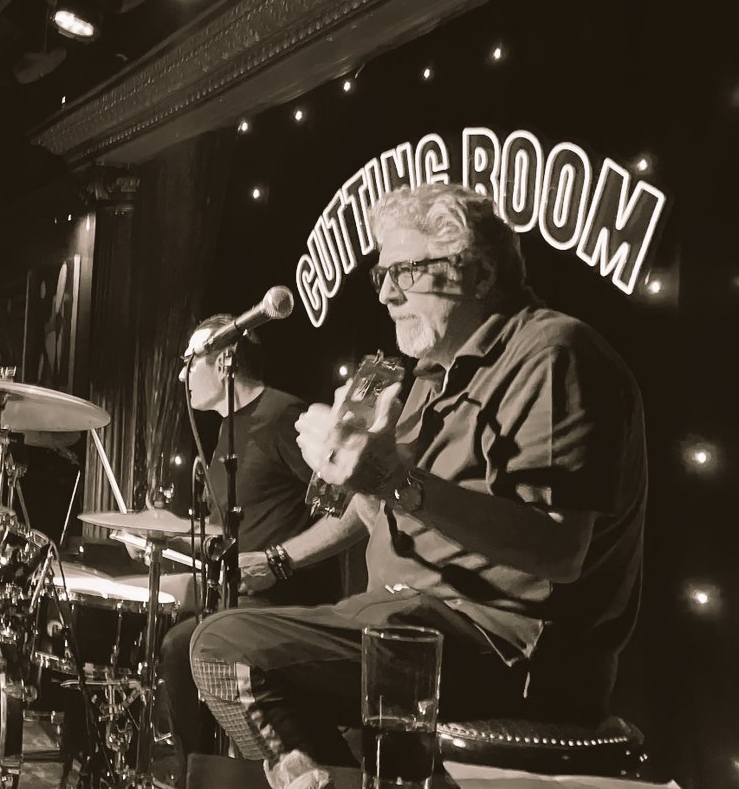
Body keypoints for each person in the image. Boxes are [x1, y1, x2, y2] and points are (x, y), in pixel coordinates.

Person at [189, 183, 647, 786]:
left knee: (226, 645)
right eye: (382, 272)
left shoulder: (553, 353)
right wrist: (345, 471)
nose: (384, 292)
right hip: (409, 619)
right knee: (189, 647)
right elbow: (387, 501)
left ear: (479, 275)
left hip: (505, 648)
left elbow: (558, 551)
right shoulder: (426, 374)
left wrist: (393, 478)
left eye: (404, 271)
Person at [159, 316, 342, 761]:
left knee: (180, 645)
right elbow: (234, 539)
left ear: (225, 361)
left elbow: (349, 508)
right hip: (238, 599)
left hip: (287, 600)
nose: (182, 375)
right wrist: (163, 539)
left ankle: (204, 773)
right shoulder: (228, 431)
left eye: (190, 362)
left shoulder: (284, 416)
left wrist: (280, 560)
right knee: (169, 617)